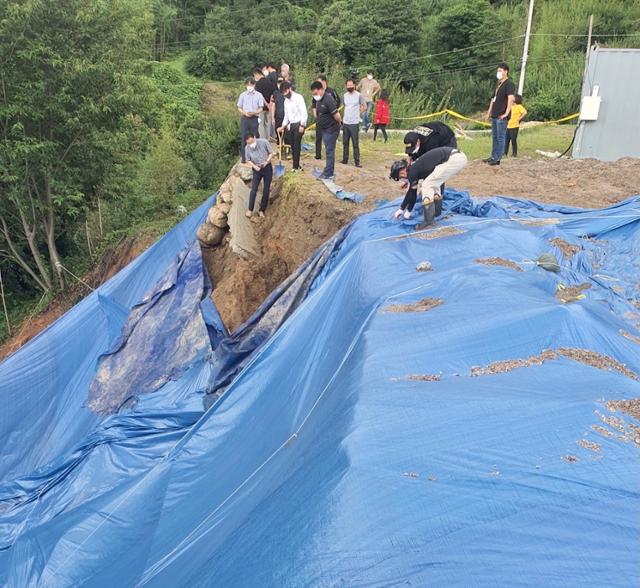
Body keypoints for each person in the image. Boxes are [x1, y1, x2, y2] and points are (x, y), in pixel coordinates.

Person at [389, 146, 467, 227]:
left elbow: (412, 194)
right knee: (433, 183)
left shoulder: (412, 172)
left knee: (427, 185)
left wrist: (406, 212)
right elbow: (411, 193)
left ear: (402, 173)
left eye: (400, 178)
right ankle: (437, 213)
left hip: (453, 159)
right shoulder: (415, 167)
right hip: (457, 156)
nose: (402, 180)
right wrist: (402, 209)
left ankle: (428, 222)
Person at [484, 62, 515, 166]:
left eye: (500, 71)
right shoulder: (498, 85)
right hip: (494, 115)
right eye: (498, 71)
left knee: (501, 137)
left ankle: (497, 158)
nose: (498, 73)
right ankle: (493, 156)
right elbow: (493, 99)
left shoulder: (509, 84)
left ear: (506, 71)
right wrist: (489, 112)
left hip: (501, 116)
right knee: (495, 137)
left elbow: (511, 98)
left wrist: (506, 113)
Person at [311, 80, 341, 180]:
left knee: (329, 151)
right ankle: (329, 170)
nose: (315, 95)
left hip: (331, 129)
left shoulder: (328, 99)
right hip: (324, 129)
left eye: (315, 93)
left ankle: (328, 173)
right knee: (328, 150)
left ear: (320, 90)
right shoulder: (319, 99)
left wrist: (339, 123)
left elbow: (337, 115)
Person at [278, 81, 307, 172]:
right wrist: (282, 126)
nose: (285, 94)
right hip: (291, 125)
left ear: (289, 89)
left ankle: (295, 167)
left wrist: (302, 125)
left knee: (296, 144)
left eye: (286, 92)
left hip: (299, 124)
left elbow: (304, 112)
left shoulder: (298, 98)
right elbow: (286, 116)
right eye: (283, 93)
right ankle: (297, 165)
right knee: (292, 145)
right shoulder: (286, 101)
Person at [244, 133, 273, 218]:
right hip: (256, 170)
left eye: (252, 141)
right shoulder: (247, 148)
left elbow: (271, 153)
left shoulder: (264, 142)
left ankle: (262, 210)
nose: (251, 144)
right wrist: (255, 166)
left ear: (254, 138)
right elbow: (248, 160)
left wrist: (266, 161)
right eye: (249, 143)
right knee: (253, 189)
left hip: (267, 168)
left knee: (266, 189)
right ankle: (250, 209)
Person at [237, 78, 266, 163]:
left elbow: (261, 108)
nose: (249, 87)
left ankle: (257, 156)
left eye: (251, 85)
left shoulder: (259, 95)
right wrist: (244, 113)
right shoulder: (243, 95)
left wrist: (254, 112)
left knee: (255, 136)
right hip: (245, 118)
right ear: (246, 86)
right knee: (244, 137)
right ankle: (244, 157)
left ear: (254, 85)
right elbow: (239, 107)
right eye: (248, 85)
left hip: (254, 118)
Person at [341, 78, 366, 167]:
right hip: (346, 122)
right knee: (345, 142)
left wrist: (359, 113)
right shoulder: (344, 96)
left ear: (354, 85)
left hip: (354, 123)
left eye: (351, 85)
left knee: (355, 143)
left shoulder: (359, 95)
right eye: (348, 85)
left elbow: (364, 106)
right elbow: (345, 106)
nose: (349, 87)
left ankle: (357, 162)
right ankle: (344, 160)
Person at [254, 68, 274, 140]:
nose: (255, 78)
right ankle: (268, 138)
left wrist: (266, 104)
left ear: (257, 74)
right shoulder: (269, 81)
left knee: (261, 124)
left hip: (261, 107)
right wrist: (270, 104)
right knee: (267, 124)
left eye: (255, 75)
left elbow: (260, 95)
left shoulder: (258, 83)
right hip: (269, 107)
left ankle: (263, 139)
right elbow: (272, 94)